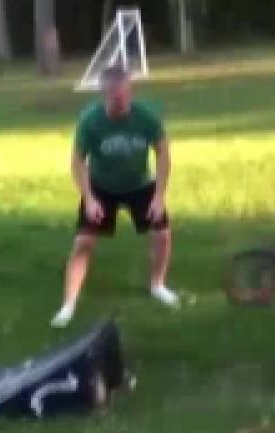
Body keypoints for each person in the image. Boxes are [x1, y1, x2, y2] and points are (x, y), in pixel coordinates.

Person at [51, 65, 179, 328]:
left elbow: (163, 155)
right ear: (103, 93)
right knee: (84, 242)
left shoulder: (147, 117)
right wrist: (89, 199)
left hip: (139, 184)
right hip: (101, 187)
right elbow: (77, 163)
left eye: (124, 96)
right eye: (114, 98)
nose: (120, 103)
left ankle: (157, 285)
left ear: (130, 91)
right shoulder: (90, 121)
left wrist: (158, 196)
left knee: (163, 234)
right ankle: (68, 305)